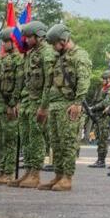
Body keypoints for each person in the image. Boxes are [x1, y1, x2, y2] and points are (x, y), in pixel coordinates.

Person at [36, 23, 91, 192]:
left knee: (68, 142)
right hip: (54, 105)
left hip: (69, 105)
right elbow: (49, 83)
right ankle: (58, 175)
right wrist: (44, 106)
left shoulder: (79, 56)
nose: (53, 47)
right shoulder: (59, 57)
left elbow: (84, 80)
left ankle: (67, 177)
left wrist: (77, 103)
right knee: (56, 143)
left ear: (64, 39)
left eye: (55, 44)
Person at [9, 21, 54, 189]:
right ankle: (28, 171)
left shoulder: (47, 53)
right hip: (28, 101)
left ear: (38, 36)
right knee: (26, 137)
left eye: (28, 37)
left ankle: (35, 173)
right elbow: (27, 82)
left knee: (36, 138)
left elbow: (49, 82)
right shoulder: (30, 53)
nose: (25, 40)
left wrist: (44, 106)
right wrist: (21, 101)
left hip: (39, 102)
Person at [89, 72, 110, 169]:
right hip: (99, 117)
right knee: (99, 139)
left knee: (103, 140)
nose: (102, 81)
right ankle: (99, 159)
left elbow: (106, 102)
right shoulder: (102, 90)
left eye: (104, 79)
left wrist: (93, 108)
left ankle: (101, 160)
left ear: (109, 79)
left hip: (105, 118)